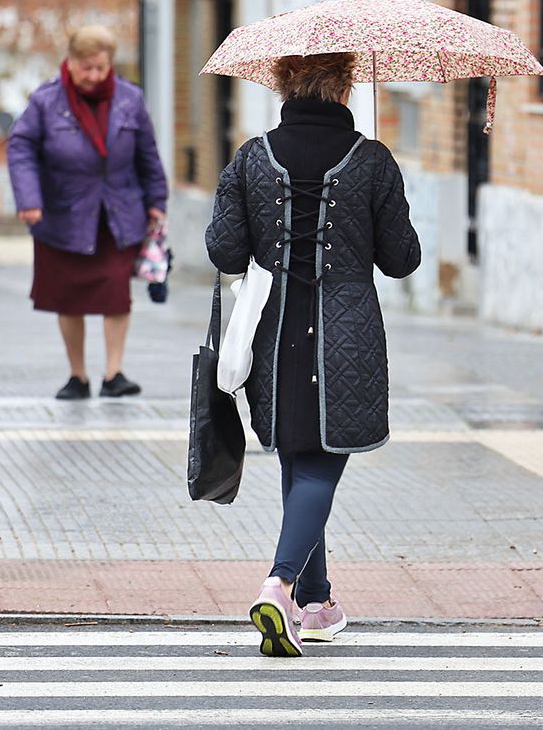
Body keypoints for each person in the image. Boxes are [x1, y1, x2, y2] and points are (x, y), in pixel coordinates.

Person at [205, 53, 421, 657]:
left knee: (299, 455)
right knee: (324, 460)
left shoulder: (250, 157)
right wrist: (380, 189)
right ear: (346, 84)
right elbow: (402, 259)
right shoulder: (372, 159)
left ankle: (317, 603)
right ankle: (279, 584)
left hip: (272, 328)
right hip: (345, 326)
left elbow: (224, 249)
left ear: (281, 83)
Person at [7, 25, 168, 400]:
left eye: (100, 68)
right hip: (62, 213)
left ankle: (115, 374)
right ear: (71, 61)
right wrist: (29, 199)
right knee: (69, 295)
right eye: (86, 68)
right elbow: (20, 148)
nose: (94, 76)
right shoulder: (46, 101)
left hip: (117, 213)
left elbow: (148, 155)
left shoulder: (130, 99)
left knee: (116, 293)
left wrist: (157, 201)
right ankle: (77, 375)